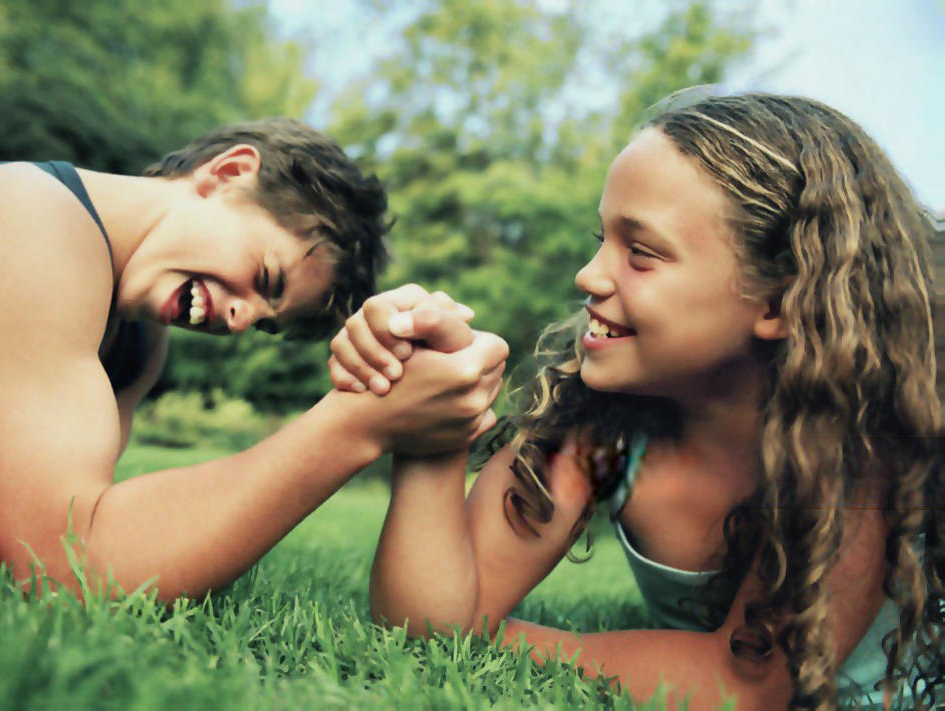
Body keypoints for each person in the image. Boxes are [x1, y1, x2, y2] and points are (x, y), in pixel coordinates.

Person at [329, 94, 944, 709]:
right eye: (602, 239)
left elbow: (743, 688)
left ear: (778, 304)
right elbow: (425, 621)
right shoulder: (606, 441)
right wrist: (434, 434)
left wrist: (490, 637)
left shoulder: (856, 455)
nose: (589, 276)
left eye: (641, 253)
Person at [0, 117, 508, 604]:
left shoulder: (136, 348)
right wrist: (360, 422)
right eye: (265, 278)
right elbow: (65, 567)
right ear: (228, 173)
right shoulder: (31, 220)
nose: (242, 321)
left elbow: (75, 522)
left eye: (264, 321)